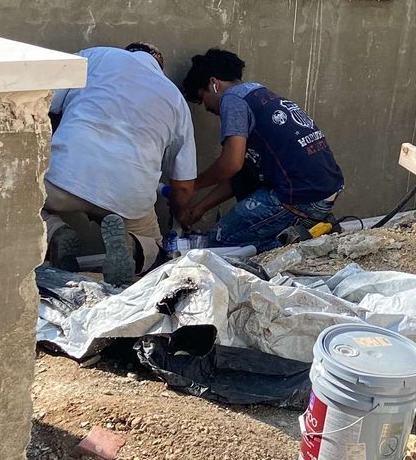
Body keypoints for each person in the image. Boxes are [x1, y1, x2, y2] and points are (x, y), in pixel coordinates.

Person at [45, 44, 198, 285]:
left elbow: (43, 98)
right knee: (156, 249)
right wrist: (181, 213)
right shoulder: (175, 98)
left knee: (21, 196)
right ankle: (133, 248)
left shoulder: (98, 56)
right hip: (128, 198)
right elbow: (184, 186)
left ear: (128, 51)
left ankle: (55, 231)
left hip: (64, 180)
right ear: (160, 67)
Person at [179, 48, 345, 251]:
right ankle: (309, 229)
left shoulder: (232, 100)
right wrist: (200, 207)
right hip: (323, 189)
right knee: (244, 230)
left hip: (301, 197)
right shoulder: (260, 95)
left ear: (214, 84)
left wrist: (191, 185)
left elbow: (230, 164)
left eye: (202, 97)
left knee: (218, 242)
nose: (206, 108)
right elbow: (239, 176)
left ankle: (300, 238)